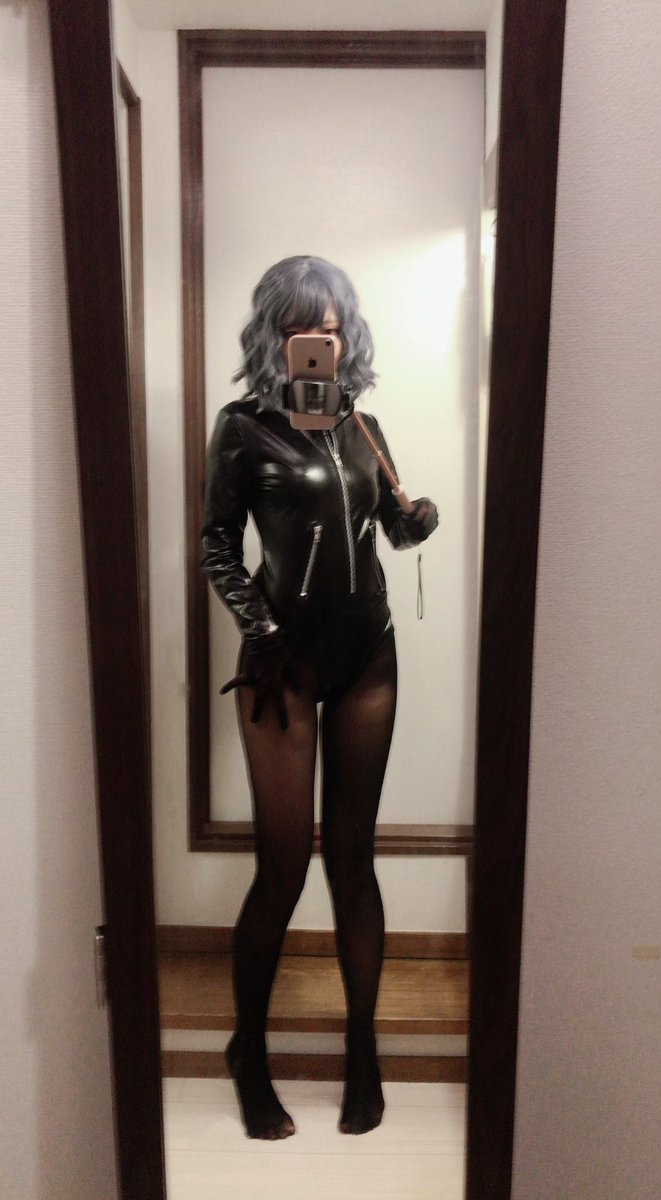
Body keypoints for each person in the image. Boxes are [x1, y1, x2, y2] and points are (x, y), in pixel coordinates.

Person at [201, 255, 438, 1140]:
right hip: (282, 666)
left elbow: (387, 531)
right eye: (303, 326)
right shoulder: (242, 428)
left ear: (348, 335)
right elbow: (216, 545)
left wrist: (413, 522)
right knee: (284, 866)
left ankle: (362, 1052)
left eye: (332, 327)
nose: (321, 342)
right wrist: (260, 629)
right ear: (276, 335)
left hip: (368, 655)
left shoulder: (362, 426)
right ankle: (248, 1051)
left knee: (351, 858)